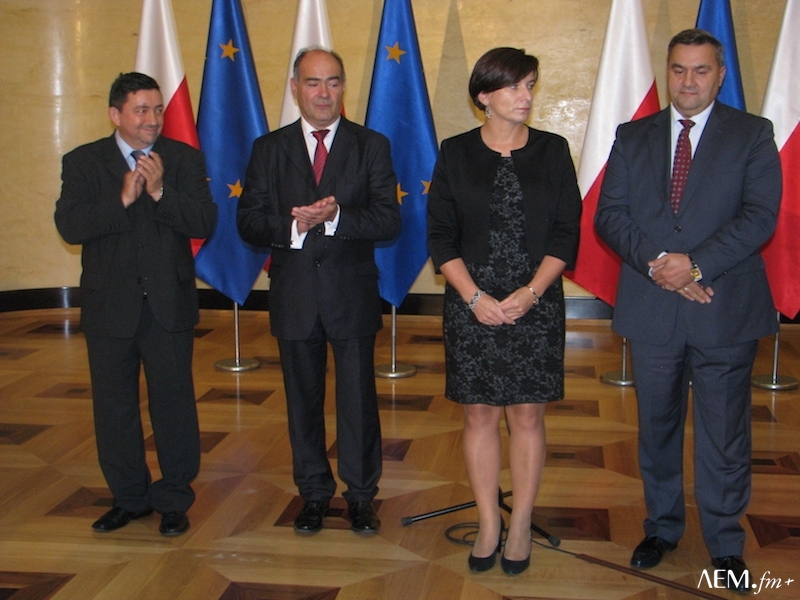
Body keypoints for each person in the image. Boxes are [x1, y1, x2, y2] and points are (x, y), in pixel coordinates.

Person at [595, 29, 781, 591]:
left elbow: (759, 216)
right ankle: (662, 528)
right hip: (652, 305)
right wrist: (662, 266)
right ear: (667, 71)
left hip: (723, 307)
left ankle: (725, 544)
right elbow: (610, 214)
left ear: (720, 75)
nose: (688, 81)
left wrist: (694, 266)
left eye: (701, 70)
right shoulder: (633, 135)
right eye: (679, 69)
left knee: (724, 432)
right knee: (656, 427)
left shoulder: (752, 134)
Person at [427, 47, 581, 575]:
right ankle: (490, 521)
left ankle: (521, 525)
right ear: (484, 96)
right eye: (515, 86)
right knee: (478, 413)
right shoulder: (455, 152)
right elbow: (440, 236)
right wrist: (474, 297)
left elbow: (566, 233)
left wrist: (532, 292)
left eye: (530, 85)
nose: (526, 96)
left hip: (534, 302)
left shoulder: (553, 150)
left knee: (527, 414)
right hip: (472, 303)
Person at [237, 48, 400, 534]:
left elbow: (388, 220)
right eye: (313, 83)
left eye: (332, 82)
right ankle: (312, 494)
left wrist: (336, 218)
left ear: (343, 87)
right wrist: (295, 226)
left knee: (358, 403)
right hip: (295, 296)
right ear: (295, 89)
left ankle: (361, 496)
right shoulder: (269, 149)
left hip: (351, 294)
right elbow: (248, 222)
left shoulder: (371, 145)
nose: (323, 93)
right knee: (302, 403)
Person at [54, 72, 217, 536]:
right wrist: (122, 200)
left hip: (168, 305)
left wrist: (162, 192)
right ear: (115, 114)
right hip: (110, 308)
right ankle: (129, 497)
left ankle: (174, 499)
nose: (153, 119)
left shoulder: (182, 159)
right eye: (141, 110)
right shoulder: (83, 162)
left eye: (158, 109)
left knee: (174, 406)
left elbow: (205, 220)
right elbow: (70, 226)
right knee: (114, 408)